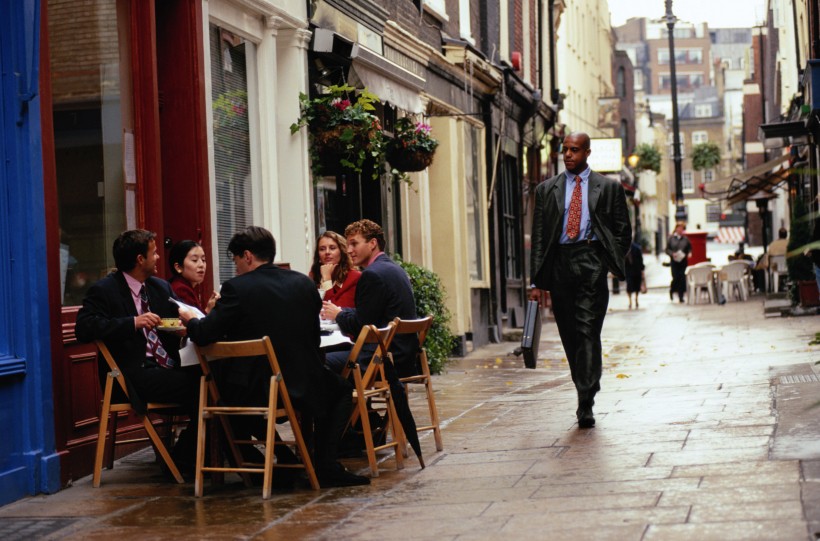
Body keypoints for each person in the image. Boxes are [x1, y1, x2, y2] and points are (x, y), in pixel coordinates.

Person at [178, 226, 369, 488]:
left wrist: (191, 321)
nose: (236, 268)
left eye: (235, 261)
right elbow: (313, 338)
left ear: (247, 256)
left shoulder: (237, 289)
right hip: (306, 382)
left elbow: (205, 334)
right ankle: (325, 464)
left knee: (217, 395)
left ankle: (269, 468)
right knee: (342, 390)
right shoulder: (302, 283)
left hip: (257, 389)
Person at [75, 229, 200, 477]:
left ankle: (190, 457)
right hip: (131, 374)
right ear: (140, 259)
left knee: (214, 380)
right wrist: (133, 322)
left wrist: (179, 328)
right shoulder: (105, 290)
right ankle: (184, 461)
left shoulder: (160, 287)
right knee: (205, 388)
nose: (158, 258)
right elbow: (84, 328)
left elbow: (170, 320)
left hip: (168, 367)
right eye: (153, 253)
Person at [528, 132, 631, 429]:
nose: (568, 155)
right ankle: (584, 384)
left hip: (590, 261)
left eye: (575, 150)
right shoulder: (547, 190)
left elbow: (623, 232)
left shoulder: (609, 188)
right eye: (565, 150)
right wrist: (536, 282)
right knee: (570, 336)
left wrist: (605, 262)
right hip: (560, 263)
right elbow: (539, 238)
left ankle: (585, 399)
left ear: (587, 152)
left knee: (587, 332)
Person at [320, 219, 418, 376]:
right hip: (402, 356)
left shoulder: (372, 274)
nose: (349, 250)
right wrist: (342, 311)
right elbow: (370, 314)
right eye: (348, 245)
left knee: (318, 362)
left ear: (372, 243)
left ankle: (349, 400)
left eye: (354, 244)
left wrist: (338, 315)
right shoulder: (394, 268)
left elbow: (361, 325)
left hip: (381, 358)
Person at [309, 231, 361, 308]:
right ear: (318, 256)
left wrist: (327, 279)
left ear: (342, 252)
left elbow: (335, 312)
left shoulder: (354, 277)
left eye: (332, 248)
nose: (327, 252)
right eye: (322, 249)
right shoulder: (313, 275)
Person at [168, 240, 219, 314]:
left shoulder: (185, 286)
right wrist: (209, 310)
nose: (201, 265)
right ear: (178, 267)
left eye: (203, 260)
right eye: (194, 260)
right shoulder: (180, 289)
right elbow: (194, 323)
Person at [665, 222, 691, 303]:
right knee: (675, 277)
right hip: (674, 261)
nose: (680, 230)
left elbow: (689, 248)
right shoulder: (671, 238)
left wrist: (689, 253)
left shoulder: (685, 239)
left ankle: (681, 296)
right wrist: (672, 254)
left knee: (682, 278)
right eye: (679, 228)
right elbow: (667, 249)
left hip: (683, 261)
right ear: (676, 228)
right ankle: (672, 290)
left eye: (682, 228)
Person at [624, 241, 644, 309]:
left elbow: (641, 260)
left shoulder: (636, 248)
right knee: (629, 286)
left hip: (636, 270)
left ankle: (636, 299)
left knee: (637, 286)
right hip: (628, 271)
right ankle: (630, 301)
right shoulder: (624, 248)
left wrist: (642, 270)